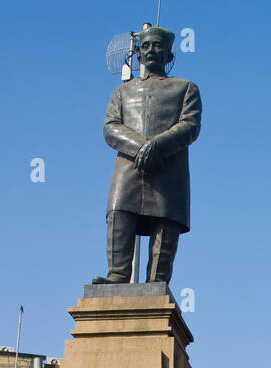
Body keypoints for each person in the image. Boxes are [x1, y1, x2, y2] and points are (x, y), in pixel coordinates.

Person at [93, 24, 202, 285]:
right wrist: (141, 147)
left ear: (169, 55)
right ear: (139, 54)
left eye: (158, 46)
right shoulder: (122, 92)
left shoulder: (185, 88)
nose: (151, 51)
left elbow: (189, 126)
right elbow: (110, 128)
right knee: (120, 214)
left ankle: (157, 283)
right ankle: (118, 275)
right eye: (145, 46)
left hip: (168, 169)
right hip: (128, 167)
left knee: (165, 224)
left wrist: (158, 146)